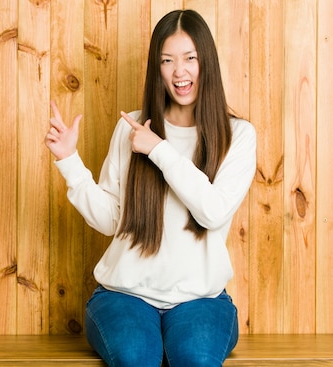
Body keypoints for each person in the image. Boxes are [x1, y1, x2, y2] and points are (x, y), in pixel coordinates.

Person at [44, 9, 256, 367]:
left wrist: (158, 149)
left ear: (207, 63)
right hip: (124, 296)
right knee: (136, 357)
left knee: (196, 359)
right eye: (167, 60)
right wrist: (69, 161)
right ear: (157, 69)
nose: (179, 71)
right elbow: (113, 219)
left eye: (190, 58)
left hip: (200, 299)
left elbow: (214, 212)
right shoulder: (131, 127)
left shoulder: (237, 136)